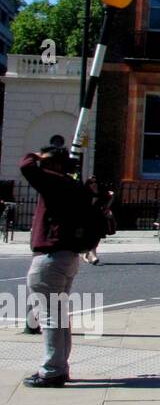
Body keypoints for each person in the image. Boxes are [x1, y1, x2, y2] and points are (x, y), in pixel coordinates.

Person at [19, 146, 98, 387]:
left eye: (46, 162)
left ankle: (52, 370)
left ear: (53, 165)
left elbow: (26, 166)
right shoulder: (75, 186)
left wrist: (35, 155)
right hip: (68, 257)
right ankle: (59, 366)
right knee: (59, 316)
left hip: (50, 259)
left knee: (50, 317)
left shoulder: (55, 183)